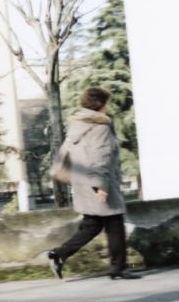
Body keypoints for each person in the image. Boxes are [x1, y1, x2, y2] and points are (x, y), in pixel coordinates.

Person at [45, 86, 141, 281]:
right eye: (107, 102)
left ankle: (59, 254)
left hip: (82, 183)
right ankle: (118, 268)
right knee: (115, 224)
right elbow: (100, 156)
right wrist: (101, 186)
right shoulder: (100, 126)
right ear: (101, 104)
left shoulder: (78, 123)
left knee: (92, 225)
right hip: (99, 182)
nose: (109, 106)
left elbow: (67, 153)